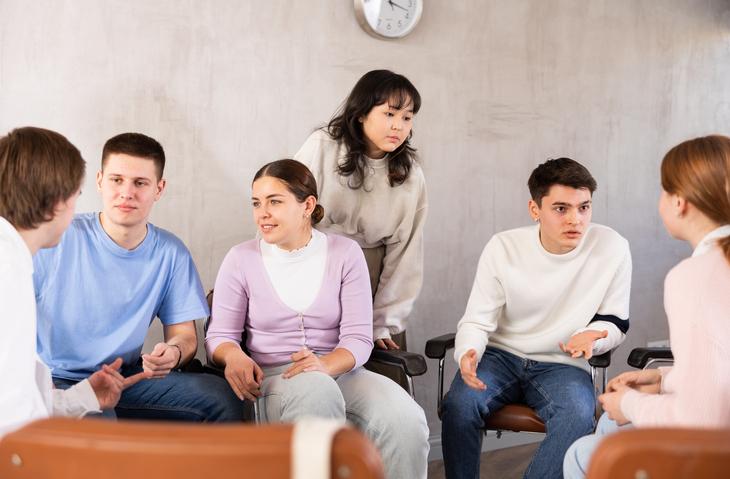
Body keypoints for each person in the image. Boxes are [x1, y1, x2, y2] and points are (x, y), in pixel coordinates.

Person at [205, 159, 429, 479]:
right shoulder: (240, 259)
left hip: (341, 372)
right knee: (316, 391)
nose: (262, 213)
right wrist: (233, 355)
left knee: (405, 419)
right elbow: (220, 335)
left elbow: (358, 337)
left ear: (307, 205)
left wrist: (325, 366)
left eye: (275, 202)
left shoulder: (345, 254)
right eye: (256, 203)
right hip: (275, 379)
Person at [442, 158, 633, 479]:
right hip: (500, 357)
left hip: (563, 364)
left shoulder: (612, 247)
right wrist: (467, 353)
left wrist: (595, 334)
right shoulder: (504, 247)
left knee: (577, 416)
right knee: (460, 406)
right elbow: (477, 320)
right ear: (535, 210)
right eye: (561, 209)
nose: (576, 219)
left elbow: (616, 321)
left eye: (584, 207)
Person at [33, 132, 244, 422]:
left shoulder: (171, 253)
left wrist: (172, 353)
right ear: (99, 180)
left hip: (126, 378)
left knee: (221, 397)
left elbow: (184, 336)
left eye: (140, 183)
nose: (127, 192)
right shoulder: (57, 237)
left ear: (159, 188)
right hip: (59, 382)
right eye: (116, 180)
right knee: (99, 421)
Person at [563, 135, 730, 478]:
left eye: (663, 190)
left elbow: (702, 419)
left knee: (585, 453)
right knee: (610, 423)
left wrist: (628, 404)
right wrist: (661, 378)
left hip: (715, 448)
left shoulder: (694, 277)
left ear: (679, 201)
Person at [0, 126, 150, 438]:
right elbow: (13, 416)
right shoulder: (8, 271)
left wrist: (81, 398)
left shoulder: (13, 258)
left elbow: (22, 398)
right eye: (76, 197)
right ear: (58, 202)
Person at [294, 69, 426, 353]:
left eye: (407, 117)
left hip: (372, 279)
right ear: (361, 113)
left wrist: (383, 322)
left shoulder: (410, 174)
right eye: (389, 114)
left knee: (379, 365)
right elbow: (285, 209)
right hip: (310, 266)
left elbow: (406, 255)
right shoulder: (323, 146)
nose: (398, 126)